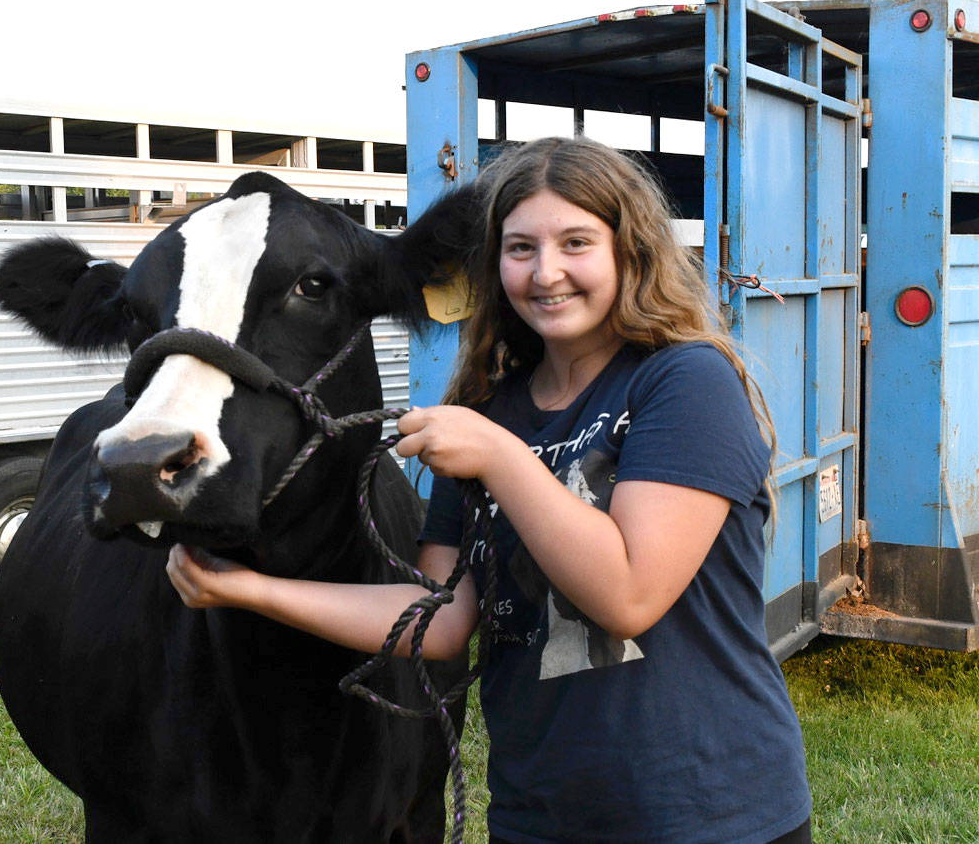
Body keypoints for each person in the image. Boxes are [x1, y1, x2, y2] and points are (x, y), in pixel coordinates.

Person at [165, 137, 812, 844]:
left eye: (576, 242)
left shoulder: (683, 383)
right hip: (539, 816)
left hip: (711, 816)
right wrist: (248, 590)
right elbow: (440, 618)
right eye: (520, 248)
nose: (547, 272)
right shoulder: (487, 413)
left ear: (630, 250)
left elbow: (630, 594)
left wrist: (500, 457)